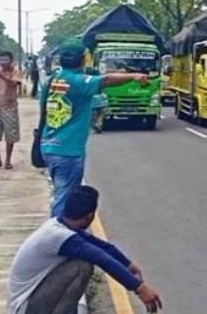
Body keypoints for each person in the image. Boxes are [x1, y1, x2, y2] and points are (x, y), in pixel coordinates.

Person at [7, 186, 163, 314]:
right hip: (27, 307)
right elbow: (100, 257)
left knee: (83, 261)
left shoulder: (61, 226)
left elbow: (102, 246)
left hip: (32, 299)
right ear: (90, 216)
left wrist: (128, 265)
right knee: (81, 266)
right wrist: (139, 288)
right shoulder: (59, 236)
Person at [41, 39, 148, 217]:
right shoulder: (78, 82)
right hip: (68, 150)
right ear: (83, 59)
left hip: (49, 146)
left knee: (61, 192)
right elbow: (106, 80)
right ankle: (58, 230)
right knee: (64, 198)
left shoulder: (51, 80)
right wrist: (134, 76)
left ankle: (61, 227)